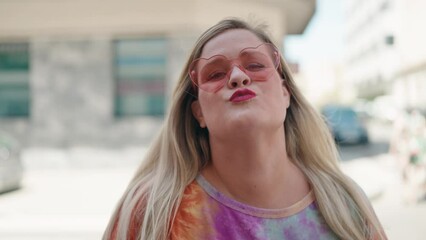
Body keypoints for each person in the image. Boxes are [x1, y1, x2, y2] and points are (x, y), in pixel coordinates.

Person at [103, 18, 387, 240]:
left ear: (286, 94)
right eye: (215, 73)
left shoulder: (346, 205)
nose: (238, 77)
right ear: (198, 111)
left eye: (254, 65)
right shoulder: (151, 211)